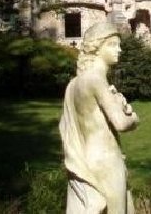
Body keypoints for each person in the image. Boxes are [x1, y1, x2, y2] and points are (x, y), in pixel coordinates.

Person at [59, 21, 139, 213]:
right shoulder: (96, 79)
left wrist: (114, 103)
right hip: (106, 159)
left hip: (83, 159)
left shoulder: (73, 84)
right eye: (112, 44)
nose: (119, 50)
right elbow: (120, 123)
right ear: (96, 46)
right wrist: (134, 117)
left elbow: (67, 125)